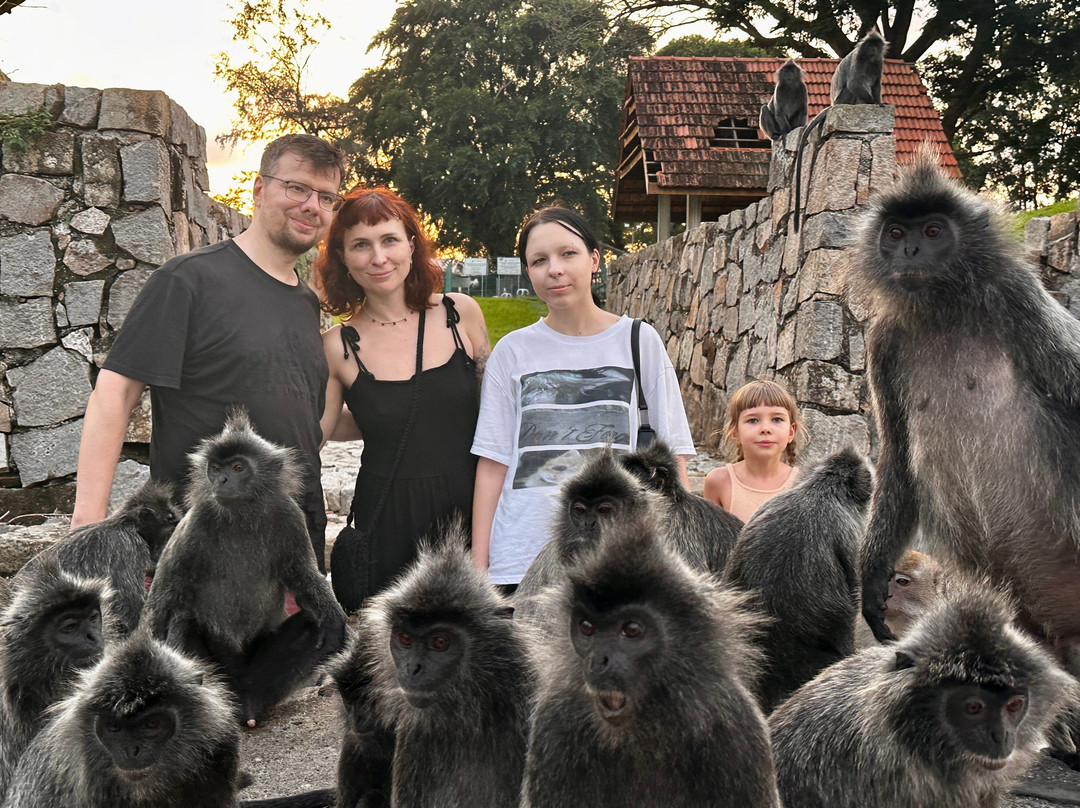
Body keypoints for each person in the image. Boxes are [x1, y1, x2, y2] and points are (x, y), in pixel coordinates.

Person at [71, 134, 345, 572]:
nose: (312, 205)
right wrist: (87, 521)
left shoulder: (305, 303)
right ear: (258, 189)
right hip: (202, 550)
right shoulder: (188, 280)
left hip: (291, 548)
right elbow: (115, 393)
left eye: (326, 197)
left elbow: (300, 419)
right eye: (296, 187)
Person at [471, 205, 695, 591]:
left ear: (594, 260)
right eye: (539, 260)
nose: (554, 269)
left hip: (621, 555)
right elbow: (493, 464)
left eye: (567, 254)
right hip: (522, 559)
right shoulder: (512, 352)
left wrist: (684, 555)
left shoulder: (640, 341)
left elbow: (671, 458)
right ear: (529, 272)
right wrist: (479, 566)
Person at [313, 187, 489, 606]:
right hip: (387, 519)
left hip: (468, 511)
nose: (378, 258)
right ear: (342, 258)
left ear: (411, 245)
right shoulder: (337, 346)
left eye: (389, 240)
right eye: (361, 245)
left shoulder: (460, 313)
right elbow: (315, 430)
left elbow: (495, 408)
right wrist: (378, 418)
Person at [703, 379, 805, 522]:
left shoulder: (802, 483)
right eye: (752, 420)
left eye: (776, 419)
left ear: (791, 432)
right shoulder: (719, 481)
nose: (765, 429)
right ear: (735, 433)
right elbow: (710, 541)